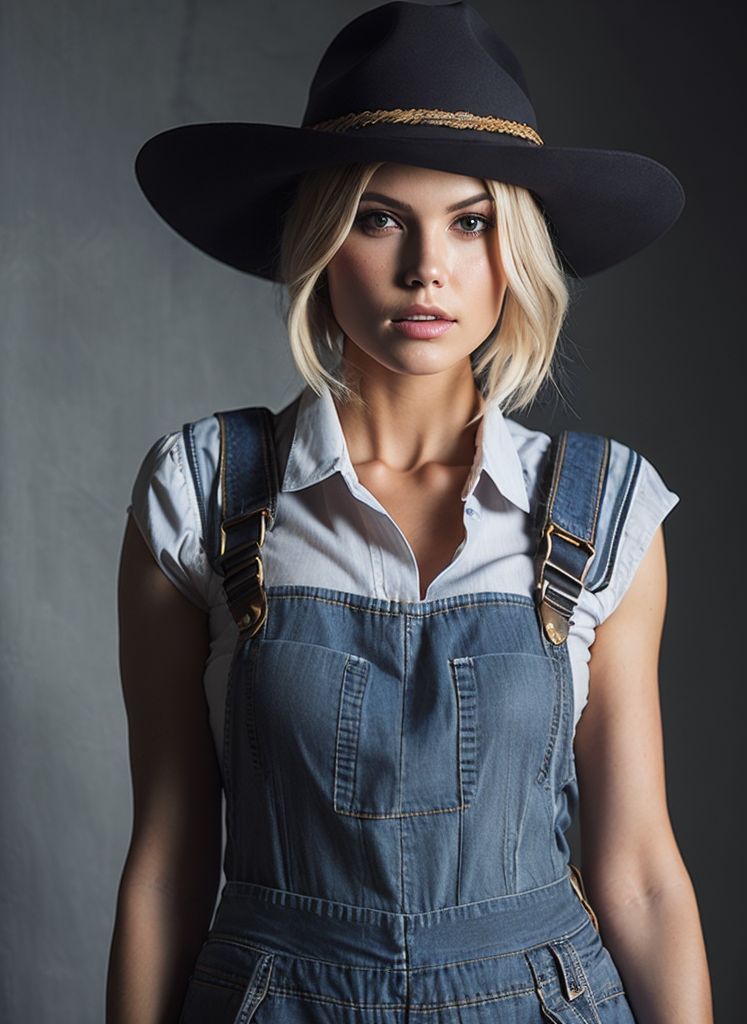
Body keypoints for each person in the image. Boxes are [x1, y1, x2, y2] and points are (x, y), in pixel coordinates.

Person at [106, 3, 713, 1022]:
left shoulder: (607, 511)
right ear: (318, 237)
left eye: (471, 222)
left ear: (514, 251)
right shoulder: (199, 493)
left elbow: (643, 872)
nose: (427, 265)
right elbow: (167, 864)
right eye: (379, 216)